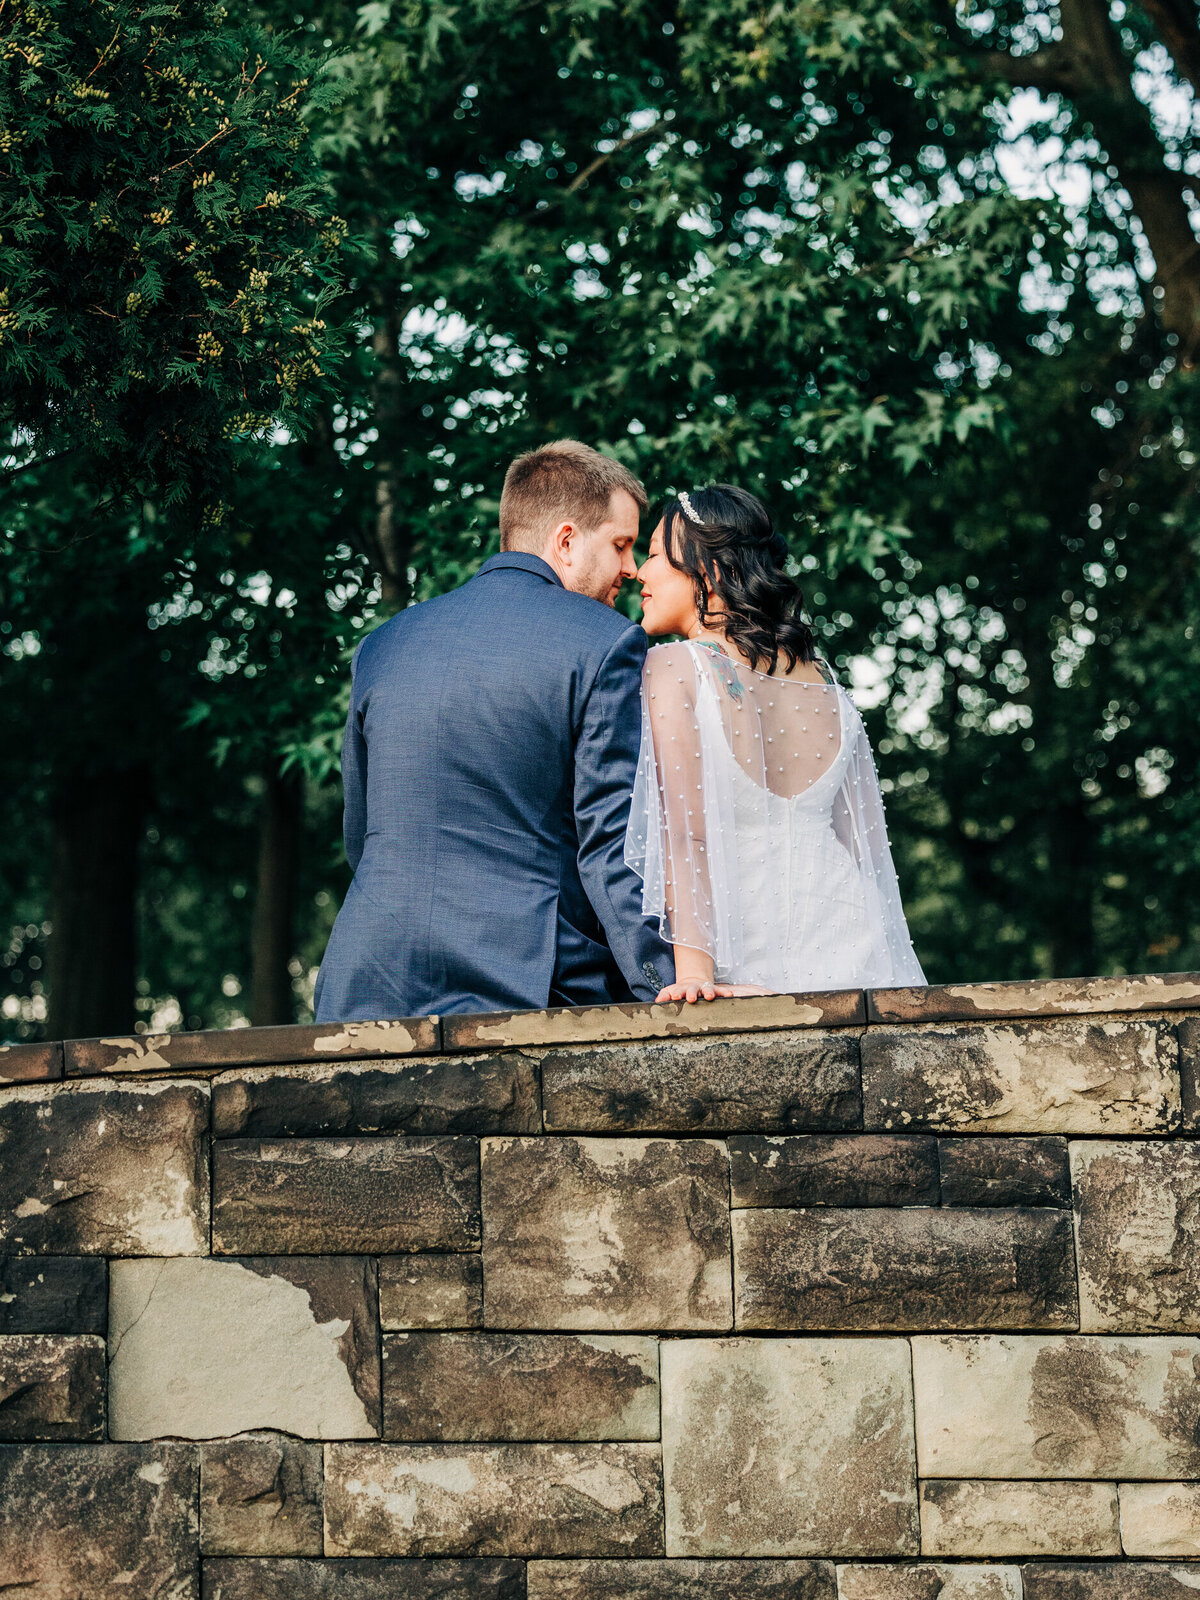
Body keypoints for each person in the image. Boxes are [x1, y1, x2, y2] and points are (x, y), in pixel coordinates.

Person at [314, 440, 675, 1021]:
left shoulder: (382, 646)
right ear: (565, 541)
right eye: (621, 545)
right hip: (528, 984)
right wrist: (663, 984)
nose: (630, 570)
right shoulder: (604, 643)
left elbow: (361, 836)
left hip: (368, 983)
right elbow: (612, 847)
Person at [625, 483, 926, 1003]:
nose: (639, 572)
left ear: (710, 571)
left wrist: (694, 974)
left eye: (652, 555)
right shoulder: (828, 687)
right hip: (857, 943)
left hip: (747, 959)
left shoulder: (675, 667)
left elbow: (686, 834)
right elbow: (862, 852)